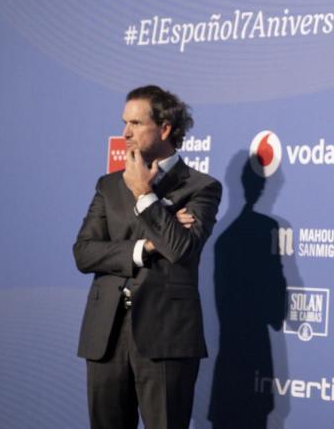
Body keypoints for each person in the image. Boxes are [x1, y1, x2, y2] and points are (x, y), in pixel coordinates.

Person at [73, 85, 222, 429]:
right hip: (105, 336)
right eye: (124, 123)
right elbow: (84, 252)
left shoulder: (201, 187)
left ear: (165, 128)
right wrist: (146, 248)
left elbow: (182, 249)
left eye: (136, 123)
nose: (125, 133)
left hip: (165, 338)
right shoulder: (109, 185)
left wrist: (144, 194)